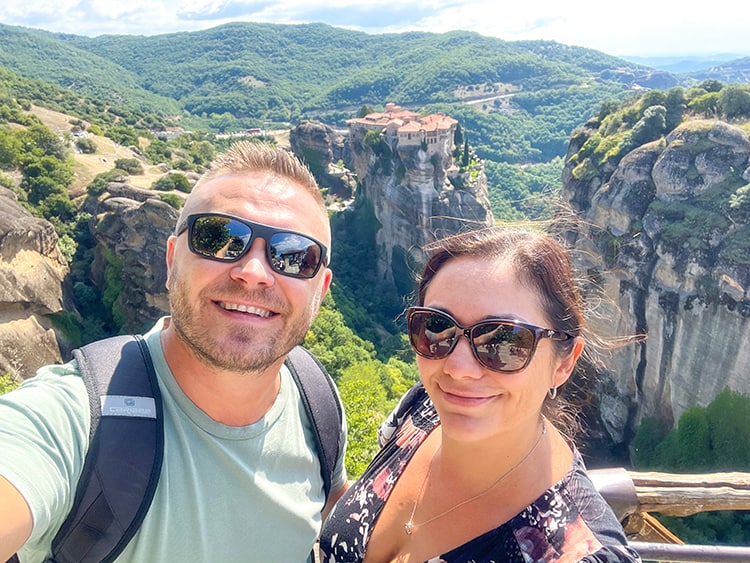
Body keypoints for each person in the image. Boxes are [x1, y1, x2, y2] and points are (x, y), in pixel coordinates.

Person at [0, 141, 348, 562]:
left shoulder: (317, 405)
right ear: (171, 261)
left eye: (294, 257)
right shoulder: (73, 419)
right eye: (218, 238)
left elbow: (330, 511)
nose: (253, 273)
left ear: (321, 290)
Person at [319, 226, 642, 562]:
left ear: (564, 363)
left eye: (504, 341)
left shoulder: (575, 551)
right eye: (436, 327)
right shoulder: (423, 409)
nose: (457, 368)